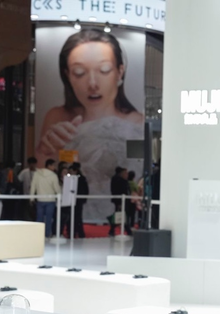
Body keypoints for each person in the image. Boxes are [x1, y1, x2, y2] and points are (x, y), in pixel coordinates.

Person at [35, 28, 144, 222]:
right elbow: (42, 171)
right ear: (68, 75)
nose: (92, 83)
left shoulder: (135, 123)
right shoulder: (57, 118)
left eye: (104, 70)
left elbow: (138, 171)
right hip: (72, 207)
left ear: (119, 72)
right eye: (79, 73)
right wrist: (45, 151)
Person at [30, 159, 62, 238]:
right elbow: (57, 189)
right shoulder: (53, 176)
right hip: (50, 200)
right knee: (49, 218)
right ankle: (47, 234)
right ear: (49, 166)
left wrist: (31, 198)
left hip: (40, 199)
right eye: (53, 165)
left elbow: (33, 186)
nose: (54, 167)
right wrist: (60, 195)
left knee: (39, 218)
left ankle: (38, 234)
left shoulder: (37, 174)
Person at [109, 166, 131, 236]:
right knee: (121, 215)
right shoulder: (119, 180)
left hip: (120, 200)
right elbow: (120, 191)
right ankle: (127, 230)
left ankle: (113, 230)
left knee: (120, 215)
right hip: (120, 201)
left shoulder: (117, 179)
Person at [69, 162, 89, 238]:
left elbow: (85, 189)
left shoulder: (80, 178)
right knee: (76, 217)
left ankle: (75, 232)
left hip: (77, 200)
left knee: (76, 217)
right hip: (77, 200)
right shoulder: (82, 178)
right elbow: (86, 189)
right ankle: (77, 233)